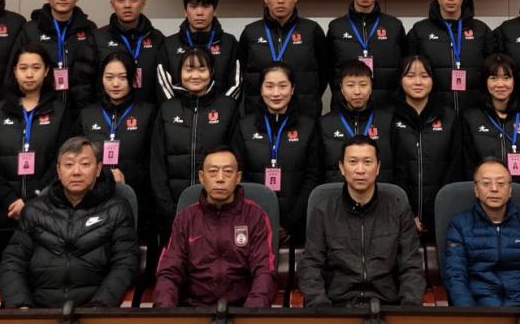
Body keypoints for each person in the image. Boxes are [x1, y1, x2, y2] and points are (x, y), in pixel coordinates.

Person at [0, 136, 138, 309]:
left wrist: (99, 307)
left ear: (98, 169)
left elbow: (125, 264)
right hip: (39, 311)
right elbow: (13, 262)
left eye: (85, 164)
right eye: (69, 164)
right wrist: (22, 306)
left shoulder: (116, 209)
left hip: (94, 311)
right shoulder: (35, 210)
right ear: (58, 170)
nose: (76, 172)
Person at [0, 43, 73, 270]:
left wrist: (31, 199)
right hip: (4, 213)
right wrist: (10, 200)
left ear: (47, 71)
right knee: (3, 275)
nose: (29, 74)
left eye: (36, 68)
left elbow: (62, 162)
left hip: (48, 212)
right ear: (14, 71)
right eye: (23, 68)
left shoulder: (61, 112)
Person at [299, 135, 425, 306]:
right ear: (342, 167)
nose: (360, 170)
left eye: (367, 162)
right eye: (353, 162)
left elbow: (411, 266)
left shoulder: (398, 209)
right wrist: (322, 309)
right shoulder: (323, 212)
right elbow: (311, 266)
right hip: (338, 307)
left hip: (387, 306)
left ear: (378, 167)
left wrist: (408, 309)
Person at [153, 146, 275, 307]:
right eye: (213, 172)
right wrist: (166, 313)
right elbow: (169, 272)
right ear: (201, 177)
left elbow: (264, 271)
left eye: (228, 172)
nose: (220, 178)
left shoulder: (255, 216)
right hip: (193, 309)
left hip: (241, 310)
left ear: (238, 177)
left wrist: (251, 314)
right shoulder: (186, 219)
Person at [442, 160, 520, 306]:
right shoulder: (460, 224)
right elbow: (455, 276)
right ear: (476, 190)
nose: (494, 189)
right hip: (480, 307)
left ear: (510, 190)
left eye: (501, 183)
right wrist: (471, 315)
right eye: (486, 183)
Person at [150, 46, 239, 238]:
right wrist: (169, 212)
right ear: (179, 73)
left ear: (211, 72)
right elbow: (157, 165)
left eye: (202, 69)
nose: (195, 75)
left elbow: (237, 161)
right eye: (189, 69)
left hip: (218, 212)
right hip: (173, 213)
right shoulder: (167, 109)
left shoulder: (228, 108)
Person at [232, 63, 322, 244]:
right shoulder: (244, 126)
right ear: (261, 89)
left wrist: (291, 223)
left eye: (282, 86)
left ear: (292, 88)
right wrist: (257, 218)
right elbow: (238, 176)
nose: (276, 93)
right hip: (252, 222)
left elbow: (314, 176)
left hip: (299, 224)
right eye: (269, 86)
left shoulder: (309, 126)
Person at [77, 51, 156, 244]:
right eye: (109, 77)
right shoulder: (87, 114)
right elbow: (77, 157)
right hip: (92, 201)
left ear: (132, 79)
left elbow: (154, 161)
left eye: (122, 77)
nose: (115, 84)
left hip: (137, 199)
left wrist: (126, 175)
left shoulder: (148, 112)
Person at [238, 0, 328, 117]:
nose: (280, 0)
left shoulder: (312, 31)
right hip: (259, 117)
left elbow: (324, 74)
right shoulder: (251, 33)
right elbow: (242, 76)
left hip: (304, 115)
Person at [407, 0, 495, 113]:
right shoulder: (420, 31)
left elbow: (492, 73)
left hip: (476, 113)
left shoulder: (481, 30)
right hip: (435, 114)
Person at [461, 54, 520, 202]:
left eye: (506, 78)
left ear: (515, 81)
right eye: (493, 78)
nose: (500, 84)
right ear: (484, 82)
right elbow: (467, 166)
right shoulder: (470, 118)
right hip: (484, 199)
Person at [392, 55, 461, 234]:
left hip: (442, 213)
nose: (418, 82)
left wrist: (435, 212)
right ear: (400, 80)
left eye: (424, 76)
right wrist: (407, 213)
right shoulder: (389, 118)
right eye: (410, 76)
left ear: (433, 80)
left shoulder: (450, 118)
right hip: (400, 216)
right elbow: (391, 171)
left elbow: (456, 167)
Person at [326, 0, 407, 107]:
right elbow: (328, 71)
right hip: (346, 109)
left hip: (387, 108)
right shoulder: (336, 28)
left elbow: (404, 69)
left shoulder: (394, 26)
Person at [18, 0, 100, 112]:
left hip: (82, 110)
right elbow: (16, 71)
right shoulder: (31, 30)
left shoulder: (89, 29)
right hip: (42, 110)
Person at [157, 0, 241, 102]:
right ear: (185, 11)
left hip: (220, 112)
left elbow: (236, 84)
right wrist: (176, 110)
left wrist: (222, 109)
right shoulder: (169, 45)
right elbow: (164, 85)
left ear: (215, 10)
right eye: (193, 6)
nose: (200, 12)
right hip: (178, 112)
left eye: (206, 6)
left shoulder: (229, 43)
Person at [94, 0, 166, 106]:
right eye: (121, 0)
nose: (127, 5)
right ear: (112, 4)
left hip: (149, 113)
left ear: (143, 3)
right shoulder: (97, 38)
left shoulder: (157, 38)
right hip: (109, 113)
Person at [320, 60, 394, 183]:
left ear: (371, 87)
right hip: (336, 192)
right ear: (341, 88)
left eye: (363, 85)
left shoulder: (388, 122)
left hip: (379, 191)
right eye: (350, 85)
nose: (357, 92)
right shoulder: (325, 124)